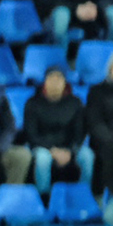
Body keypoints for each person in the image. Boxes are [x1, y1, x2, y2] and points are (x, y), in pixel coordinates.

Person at [5, 67, 89, 195]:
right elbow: (31, 135)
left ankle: (84, 195)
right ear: (45, 82)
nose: (55, 82)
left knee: (88, 156)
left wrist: (70, 151)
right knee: (43, 159)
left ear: (65, 83)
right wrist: (53, 150)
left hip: (69, 148)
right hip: (43, 147)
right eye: (51, 78)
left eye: (59, 79)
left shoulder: (75, 103)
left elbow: (79, 133)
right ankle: (43, 197)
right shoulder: (32, 103)